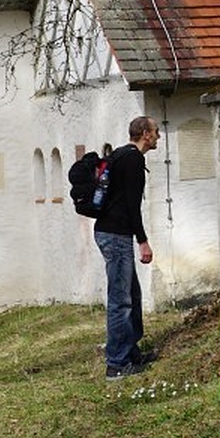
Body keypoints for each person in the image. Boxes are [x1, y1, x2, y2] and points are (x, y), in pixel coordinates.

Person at [94, 115, 158, 379]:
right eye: (156, 131)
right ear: (145, 133)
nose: (158, 136)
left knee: (131, 294)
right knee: (120, 300)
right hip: (116, 234)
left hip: (110, 232)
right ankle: (116, 364)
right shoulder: (133, 160)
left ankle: (130, 352)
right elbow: (133, 206)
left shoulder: (120, 155)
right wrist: (142, 240)